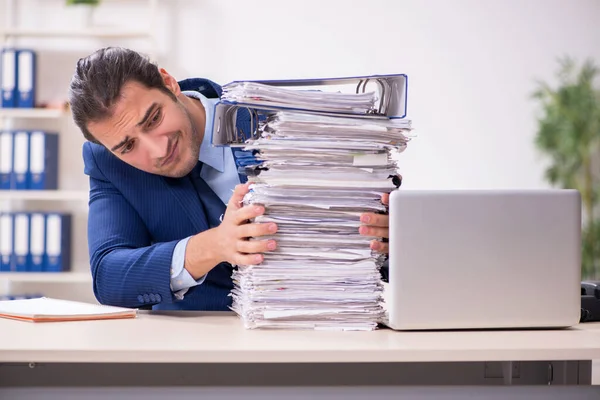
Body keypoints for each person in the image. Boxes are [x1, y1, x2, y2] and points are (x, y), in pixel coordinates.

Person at [68, 47, 393, 311]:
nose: (156, 150)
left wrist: (396, 241)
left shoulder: (289, 119)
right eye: (128, 146)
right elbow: (110, 278)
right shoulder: (108, 163)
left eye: (153, 119)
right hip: (202, 363)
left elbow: (385, 255)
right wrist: (214, 245)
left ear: (169, 83)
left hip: (332, 334)